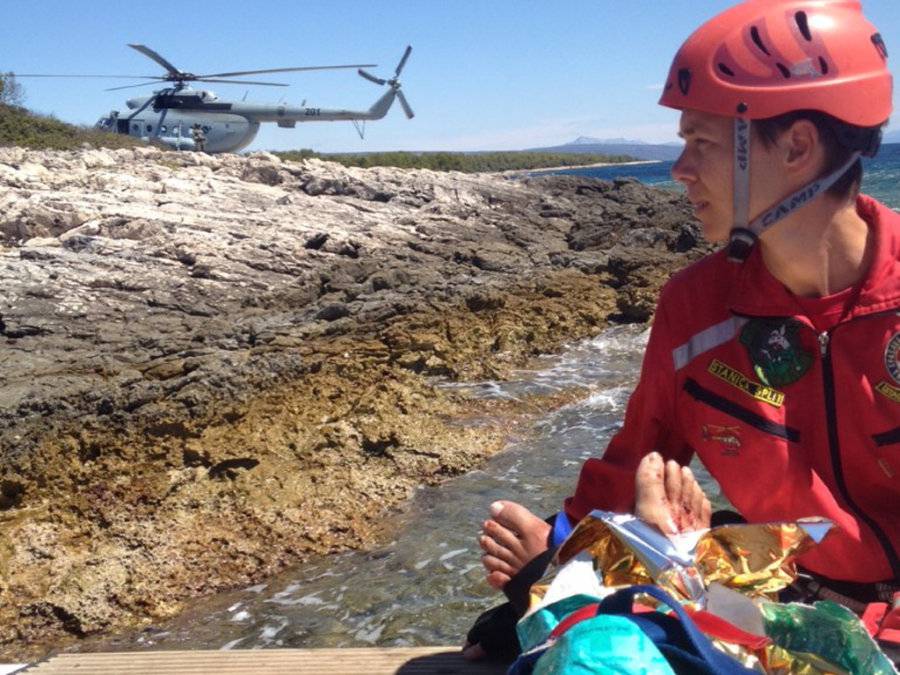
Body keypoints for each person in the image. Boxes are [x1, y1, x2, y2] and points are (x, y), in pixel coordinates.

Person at [467, 0, 898, 660]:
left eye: (700, 143)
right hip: (783, 607)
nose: (679, 171)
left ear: (798, 146)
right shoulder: (695, 308)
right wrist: (551, 571)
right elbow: (627, 466)